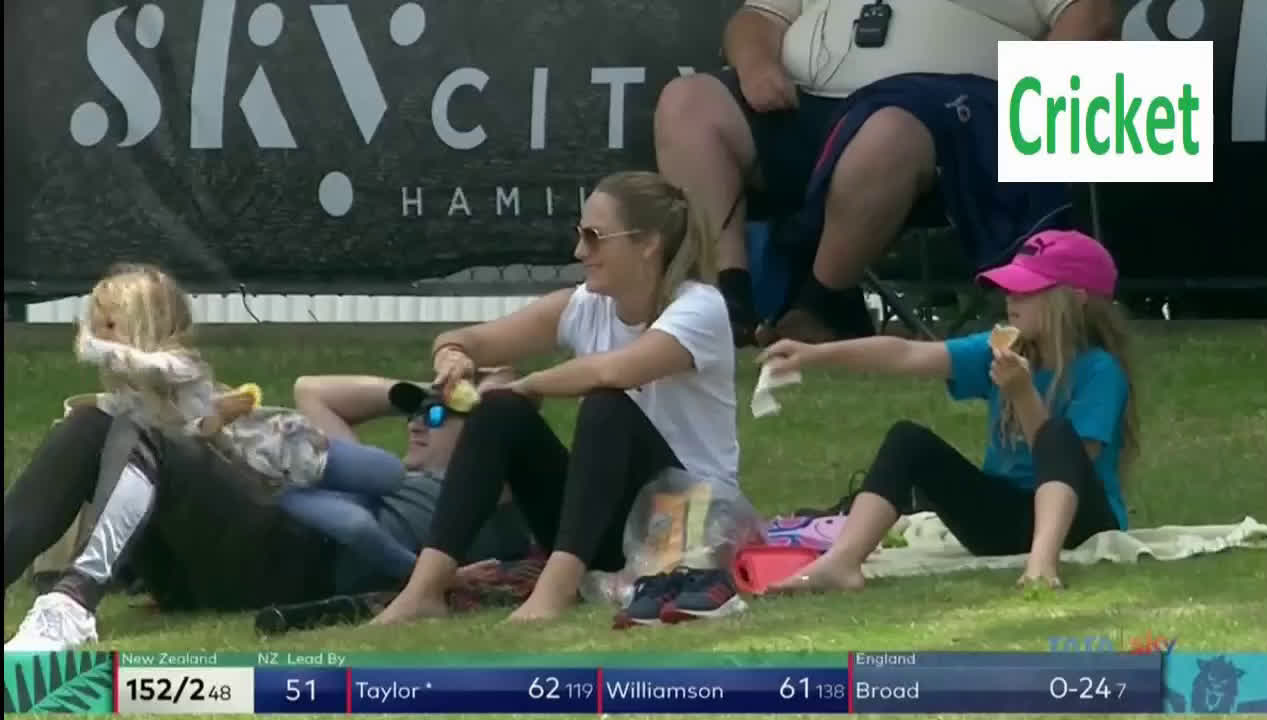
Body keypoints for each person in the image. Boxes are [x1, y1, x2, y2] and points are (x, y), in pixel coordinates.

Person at [372, 170, 740, 624]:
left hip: (688, 528)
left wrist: (527, 386)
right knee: (499, 410)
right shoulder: (586, 306)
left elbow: (612, 371)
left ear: (648, 243)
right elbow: (471, 339)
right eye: (579, 235)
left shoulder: (700, 307)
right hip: (608, 532)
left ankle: (554, 591)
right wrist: (452, 356)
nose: (579, 251)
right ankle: (423, 590)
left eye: (594, 237)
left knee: (606, 404)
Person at [655, 0, 1116, 346]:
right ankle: (727, 301)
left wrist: (1025, 102)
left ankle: (821, 305)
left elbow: (1090, 16)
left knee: (888, 128)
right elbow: (757, 17)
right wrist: (757, 66)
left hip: (950, 116)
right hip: (808, 103)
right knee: (687, 102)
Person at [3, 371, 529, 651]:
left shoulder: (491, 501)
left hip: (295, 562)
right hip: (222, 564)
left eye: (439, 415)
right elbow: (313, 389)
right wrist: (423, 390)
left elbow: (509, 407)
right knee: (97, 419)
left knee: (147, 431)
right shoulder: (382, 473)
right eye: (418, 412)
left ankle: (72, 606)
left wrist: (486, 392)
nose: (418, 421)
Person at [757, 230, 1138, 591]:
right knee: (908, 440)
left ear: (1075, 298)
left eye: (1026, 291)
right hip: (1003, 522)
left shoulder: (1100, 370)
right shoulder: (1003, 347)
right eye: (1010, 288)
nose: (1011, 299)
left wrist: (1022, 394)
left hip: (1079, 524)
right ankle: (842, 562)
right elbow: (906, 354)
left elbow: (1071, 464)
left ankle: (1041, 566)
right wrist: (813, 355)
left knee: (1056, 432)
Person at [72, 264, 416, 581]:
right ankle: (419, 577)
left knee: (391, 474)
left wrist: (96, 347)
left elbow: (158, 368)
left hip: (288, 448)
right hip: (266, 488)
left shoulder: (179, 363)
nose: (101, 337)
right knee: (356, 527)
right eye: (97, 326)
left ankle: (352, 495)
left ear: (148, 322)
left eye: (110, 326)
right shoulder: (129, 396)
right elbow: (166, 438)